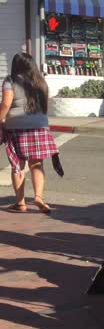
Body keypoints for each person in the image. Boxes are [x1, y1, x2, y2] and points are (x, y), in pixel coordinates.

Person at [0, 53, 64, 214]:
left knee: (18, 166)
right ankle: (38, 197)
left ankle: (20, 203)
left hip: (17, 127)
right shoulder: (40, 81)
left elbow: (6, 104)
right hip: (40, 126)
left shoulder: (10, 80)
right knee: (37, 164)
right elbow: (45, 106)